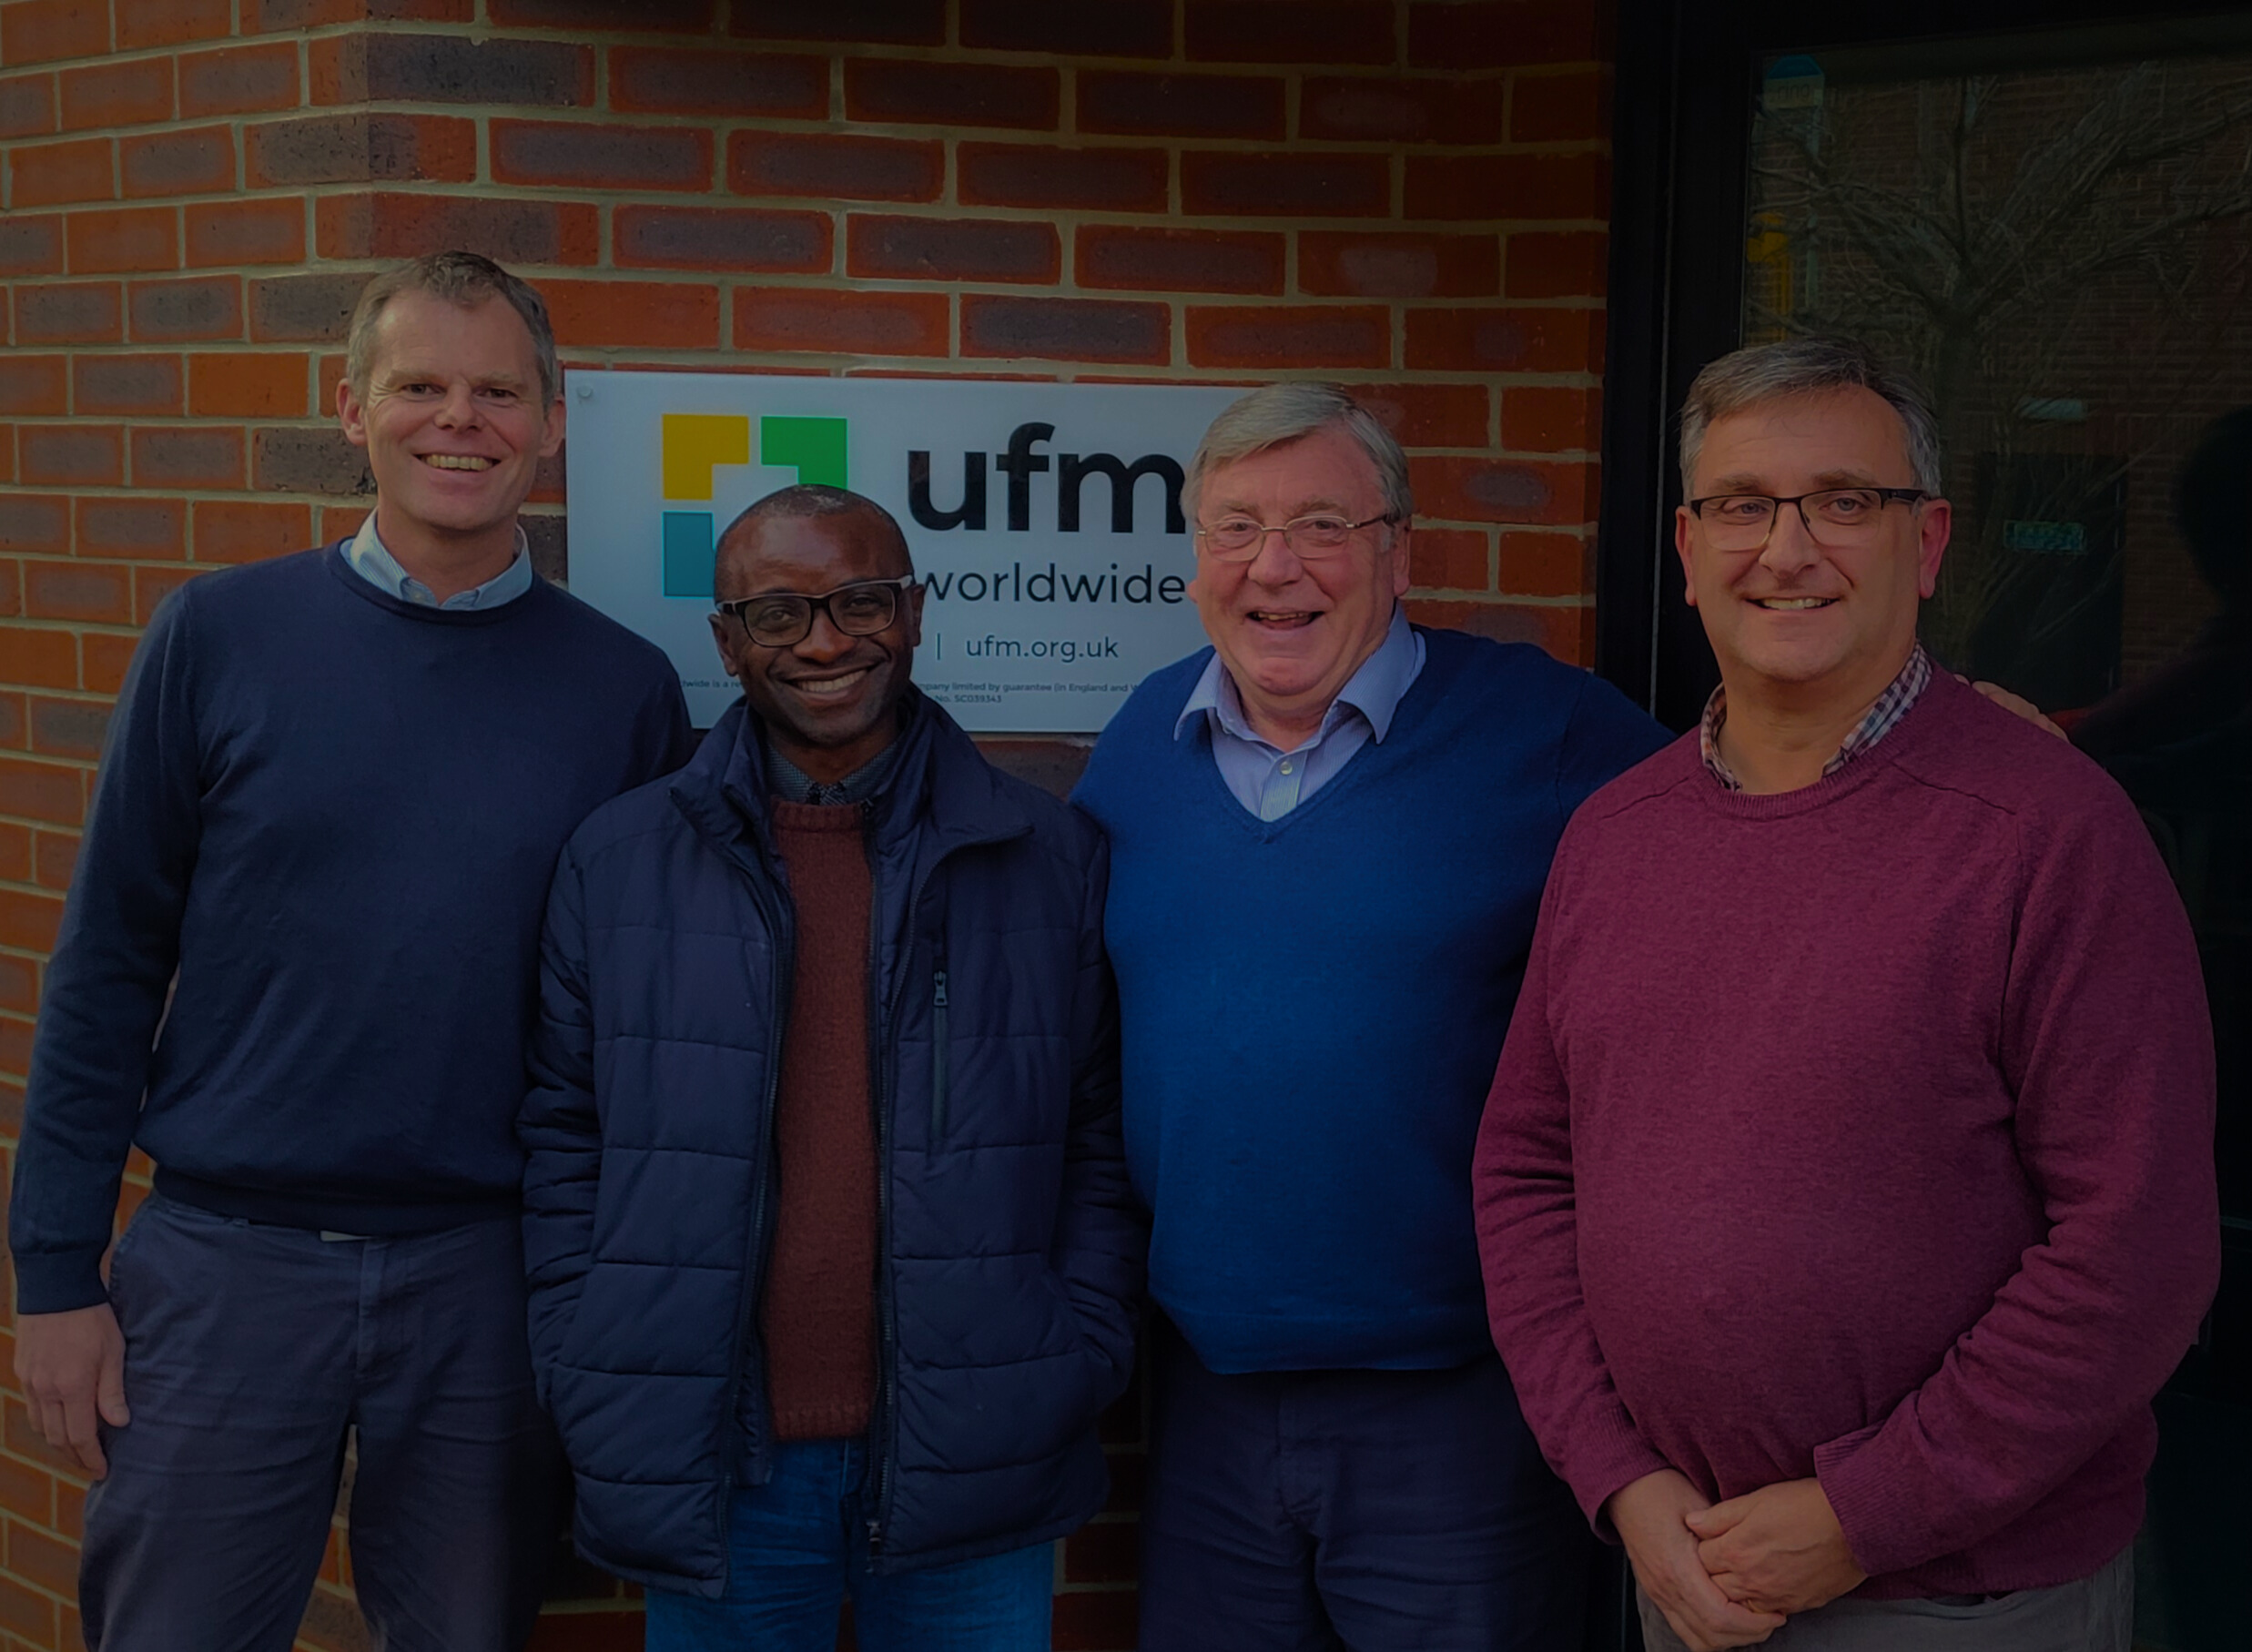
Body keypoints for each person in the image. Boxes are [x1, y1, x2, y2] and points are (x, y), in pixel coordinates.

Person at [1473, 337, 2220, 1652]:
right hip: (1680, 1570)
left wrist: (1859, 1510)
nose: (1787, 547)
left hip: (1963, 1595)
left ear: (1925, 542)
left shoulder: (2045, 833)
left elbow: (2136, 1248)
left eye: (1842, 500)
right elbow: (1529, 1171)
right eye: (1744, 505)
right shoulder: (1612, 834)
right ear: (1689, 547)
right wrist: (1622, 1480)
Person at [9, 251, 692, 1650]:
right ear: (351, 407)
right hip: (223, 1262)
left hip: (488, 1279)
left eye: (499, 390)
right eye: (421, 385)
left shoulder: (621, 690)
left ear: (551, 423)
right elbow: (105, 968)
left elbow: (647, 1012)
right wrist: (57, 1273)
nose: (462, 419)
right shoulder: (217, 635)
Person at [1071, 382, 1671, 1649]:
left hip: (1459, 1400)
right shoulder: (1139, 740)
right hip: (1204, 1394)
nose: (1274, 567)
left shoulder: (1547, 727)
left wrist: (1926, 736)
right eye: (1236, 526)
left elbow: (1749, 818)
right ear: (1193, 558)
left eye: (1322, 525)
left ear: (1397, 551)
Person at [519, 484, 1142, 1651]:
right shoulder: (618, 863)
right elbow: (565, 1135)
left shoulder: (1042, 855)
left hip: (980, 1450)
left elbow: (1097, 1135)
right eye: (777, 613)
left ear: (911, 612)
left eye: (859, 601)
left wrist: (1075, 1350)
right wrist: (584, 1351)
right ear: (724, 641)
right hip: (719, 1461)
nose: (822, 642)